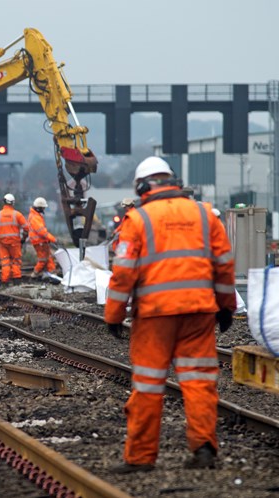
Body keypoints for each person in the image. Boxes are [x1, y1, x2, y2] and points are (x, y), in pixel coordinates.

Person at [104, 156, 236, 473]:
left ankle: (140, 458)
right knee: (199, 381)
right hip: (199, 313)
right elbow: (224, 265)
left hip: (155, 318)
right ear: (174, 181)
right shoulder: (205, 215)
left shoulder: (138, 220)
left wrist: (113, 314)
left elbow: (123, 274)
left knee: (148, 386)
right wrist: (226, 306)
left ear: (142, 186)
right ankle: (204, 450)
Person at [0, 193, 29, 285]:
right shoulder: (17, 215)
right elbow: (26, 228)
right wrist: (23, 238)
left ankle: (5, 282)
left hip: (3, 243)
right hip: (15, 243)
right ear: (13, 203)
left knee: (5, 263)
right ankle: (17, 281)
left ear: (4, 202)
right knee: (16, 261)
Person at [27, 197, 57, 278]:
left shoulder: (35, 215)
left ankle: (53, 274)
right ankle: (34, 274)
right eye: (43, 207)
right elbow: (42, 232)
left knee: (49, 257)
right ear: (39, 208)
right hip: (39, 242)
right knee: (43, 260)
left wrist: (49, 239)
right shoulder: (35, 217)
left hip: (40, 241)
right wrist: (53, 239)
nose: (44, 209)